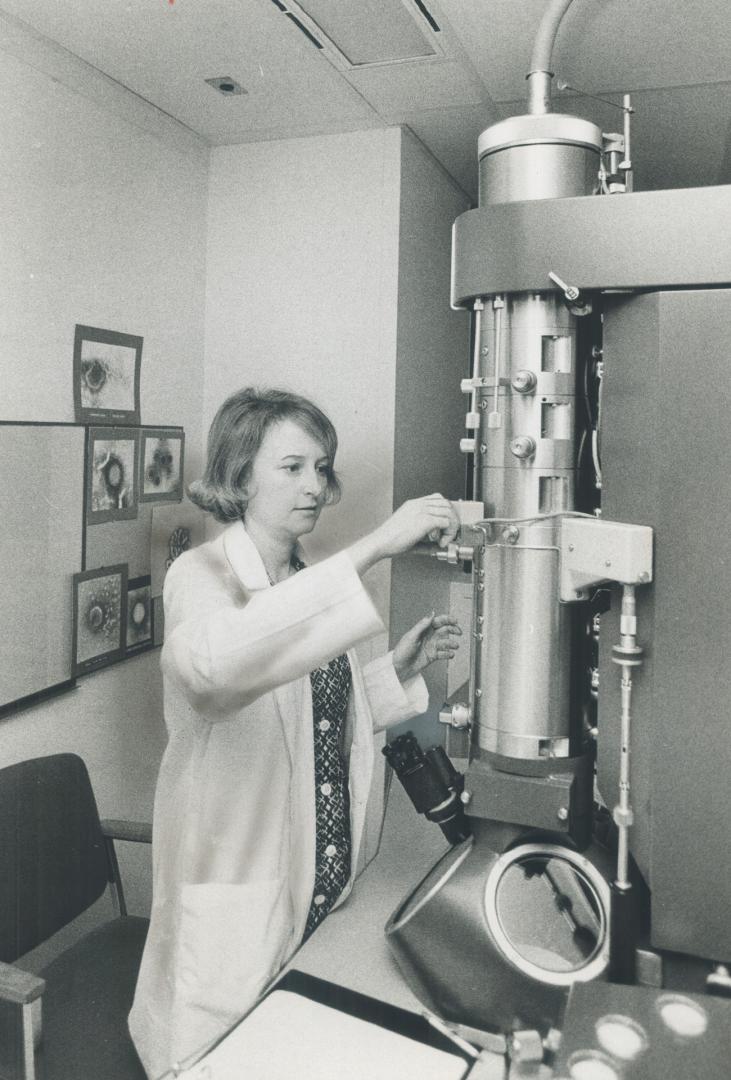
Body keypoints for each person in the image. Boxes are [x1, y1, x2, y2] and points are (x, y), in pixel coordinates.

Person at [128, 387, 462, 1077]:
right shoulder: (203, 574)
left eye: (322, 466)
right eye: (292, 467)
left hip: (317, 872)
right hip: (237, 878)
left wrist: (390, 672)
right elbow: (215, 672)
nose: (315, 486)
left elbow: (310, 728)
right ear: (240, 472)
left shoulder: (306, 579)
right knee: (225, 1058)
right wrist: (376, 547)